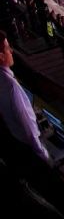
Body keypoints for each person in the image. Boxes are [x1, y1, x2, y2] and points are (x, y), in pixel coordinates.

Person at [0, 29, 49, 165]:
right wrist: (44, 157)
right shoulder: (11, 87)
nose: (12, 52)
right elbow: (28, 129)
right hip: (31, 150)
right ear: (1, 56)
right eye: (8, 49)